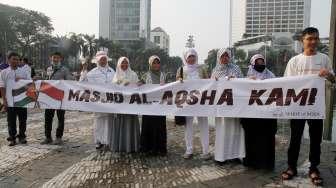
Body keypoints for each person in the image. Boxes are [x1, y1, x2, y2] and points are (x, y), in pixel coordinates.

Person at [281, 27, 335, 186]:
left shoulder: (324, 59)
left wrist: (328, 74)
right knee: (295, 137)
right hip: (297, 106)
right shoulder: (295, 61)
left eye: (316, 38)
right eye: (309, 38)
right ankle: (291, 166)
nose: (313, 41)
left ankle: (314, 168)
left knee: (315, 138)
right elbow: (286, 83)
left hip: (316, 106)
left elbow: (333, 80)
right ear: (302, 40)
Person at [241, 54, 277, 170]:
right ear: (252, 63)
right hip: (251, 114)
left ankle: (267, 163)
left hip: (267, 113)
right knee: (251, 137)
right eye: (258, 62)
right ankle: (252, 162)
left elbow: (278, 87)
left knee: (267, 138)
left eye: (262, 62)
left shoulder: (271, 75)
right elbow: (240, 89)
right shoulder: (246, 75)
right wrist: (247, 81)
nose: (260, 64)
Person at [212, 48, 245, 164]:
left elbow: (243, 84)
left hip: (234, 106)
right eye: (222, 56)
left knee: (235, 130)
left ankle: (235, 155)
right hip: (221, 108)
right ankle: (221, 156)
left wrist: (234, 80)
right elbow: (211, 88)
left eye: (227, 56)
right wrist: (215, 81)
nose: (225, 58)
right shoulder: (215, 71)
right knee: (222, 130)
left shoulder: (236, 69)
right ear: (219, 57)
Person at [176, 49, 210, 160]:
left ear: (196, 57)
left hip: (201, 102)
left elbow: (209, 82)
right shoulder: (181, 70)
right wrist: (179, 81)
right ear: (185, 58)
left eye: (193, 56)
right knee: (188, 127)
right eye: (189, 57)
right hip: (188, 103)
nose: (191, 59)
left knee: (204, 126)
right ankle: (189, 150)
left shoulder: (202, 68)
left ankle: (206, 151)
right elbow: (176, 85)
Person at [83, 51, 115, 149]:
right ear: (97, 60)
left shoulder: (112, 71)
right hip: (98, 101)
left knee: (108, 121)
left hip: (110, 101)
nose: (103, 61)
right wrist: (83, 71)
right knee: (98, 121)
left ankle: (108, 141)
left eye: (104, 59)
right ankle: (98, 141)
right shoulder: (92, 73)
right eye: (101, 59)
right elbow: (83, 84)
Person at [41, 52, 73, 145]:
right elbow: (44, 81)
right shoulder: (48, 69)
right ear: (51, 58)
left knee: (60, 118)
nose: (55, 59)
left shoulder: (65, 70)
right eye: (54, 57)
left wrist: (65, 81)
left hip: (60, 98)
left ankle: (59, 137)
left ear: (60, 59)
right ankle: (48, 137)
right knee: (48, 117)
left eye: (57, 58)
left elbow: (70, 81)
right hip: (49, 97)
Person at [110, 57, 141, 153]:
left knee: (130, 123)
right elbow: (112, 89)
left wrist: (137, 84)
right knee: (119, 123)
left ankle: (131, 146)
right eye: (122, 63)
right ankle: (119, 146)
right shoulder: (115, 75)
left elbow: (138, 87)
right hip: (119, 107)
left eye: (126, 63)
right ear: (119, 64)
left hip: (131, 106)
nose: (124, 65)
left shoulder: (133, 74)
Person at [0, 52, 31, 146]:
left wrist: (21, 82)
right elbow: (2, 87)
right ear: (8, 60)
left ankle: (22, 136)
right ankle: (12, 138)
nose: (16, 61)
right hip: (10, 101)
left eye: (17, 59)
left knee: (23, 119)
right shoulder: (4, 72)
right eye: (13, 59)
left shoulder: (24, 72)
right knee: (11, 120)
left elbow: (29, 85)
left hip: (22, 100)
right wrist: (4, 100)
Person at [140, 55, 167, 155]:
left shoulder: (164, 75)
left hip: (160, 106)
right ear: (150, 64)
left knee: (159, 127)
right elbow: (140, 84)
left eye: (158, 63)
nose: (156, 65)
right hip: (148, 107)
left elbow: (171, 88)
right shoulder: (145, 75)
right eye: (154, 63)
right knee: (148, 126)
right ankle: (147, 148)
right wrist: (138, 84)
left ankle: (160, 149)